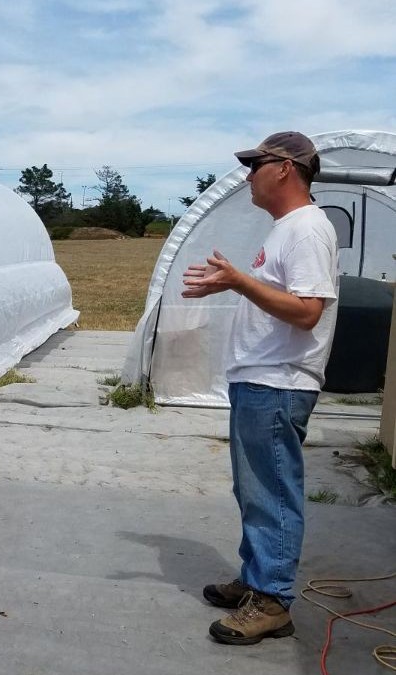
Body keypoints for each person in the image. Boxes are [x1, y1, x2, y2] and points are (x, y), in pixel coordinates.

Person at [182, 132, 338, 645]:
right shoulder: (286, 229)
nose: (248, 174)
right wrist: (233, 282)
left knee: (271, 492)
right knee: (253, 490)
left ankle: (271, 600)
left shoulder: (308, 229)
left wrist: (239, 282)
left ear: (285, 169)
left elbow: (307, 312)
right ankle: (255, 582)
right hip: (259, 382)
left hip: (279, 383)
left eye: (256, 164)